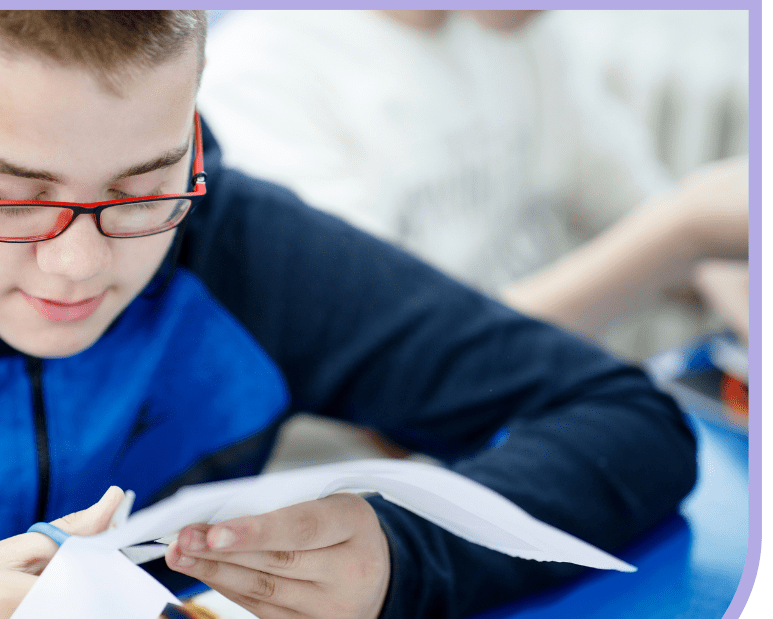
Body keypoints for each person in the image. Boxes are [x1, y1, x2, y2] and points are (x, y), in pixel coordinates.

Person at [0, 10, 696, 619]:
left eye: (143, 187)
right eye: (8, 198)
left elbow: (626, 417)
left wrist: (401, 562)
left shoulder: (239, 242)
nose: (77, 267)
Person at [197, 10, 749, 359]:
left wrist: (711, 252)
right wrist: (685, 234)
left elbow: (639, 211)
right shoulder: (264, 78)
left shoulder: (523, 36)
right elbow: (403, 376)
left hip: (548, 409)